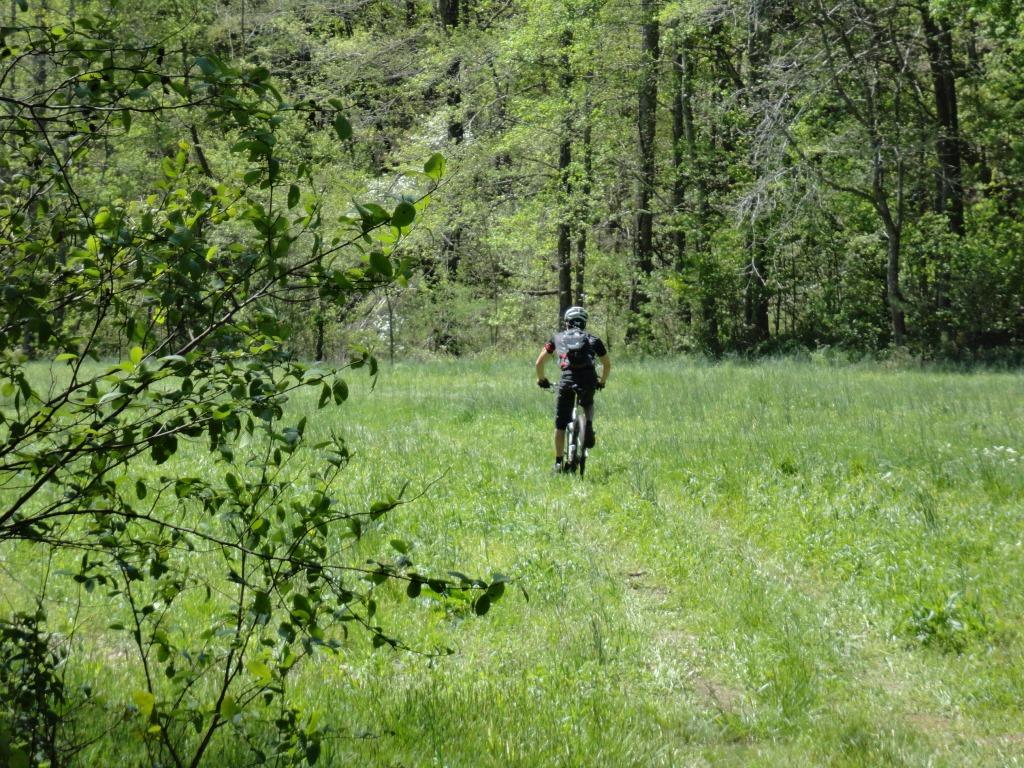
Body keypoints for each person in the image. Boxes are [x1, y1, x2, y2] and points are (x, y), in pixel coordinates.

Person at [534, 306, 611, 472]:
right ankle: (588, 425)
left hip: (567, 380)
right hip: (588, 379)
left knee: (561, 423)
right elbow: (606, 364)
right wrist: (601, 382)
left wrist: (542, 380)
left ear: (567, 322)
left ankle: (558, 462)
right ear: (584, 323)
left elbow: (539, 363)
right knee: (588, 403)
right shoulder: (593, 339)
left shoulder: (557, 338)